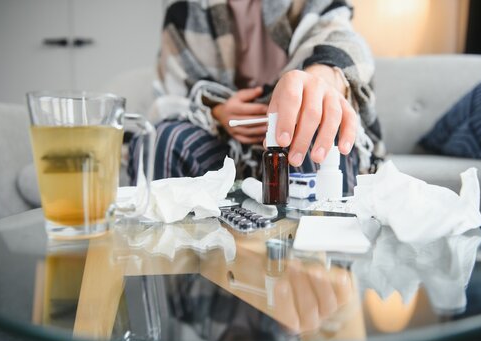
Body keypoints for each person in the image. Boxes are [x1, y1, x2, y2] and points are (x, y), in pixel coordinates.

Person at [129, 0, 385, 195]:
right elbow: (174, 96)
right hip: (221, 141)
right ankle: (171, 263)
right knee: (161, 142)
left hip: (293, 134)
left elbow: (339, 36)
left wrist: (321, 77)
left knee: (308, 134)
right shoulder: (185, 9)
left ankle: (316, 260)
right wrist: (216, 111)